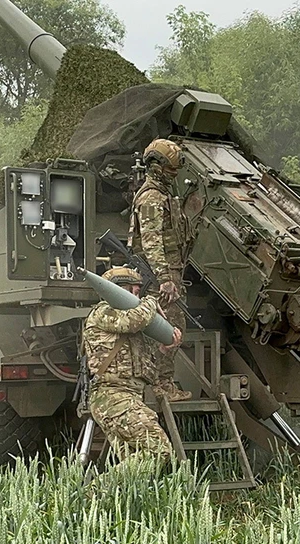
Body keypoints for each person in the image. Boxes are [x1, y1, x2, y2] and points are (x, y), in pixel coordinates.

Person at [83, 267, 183, 462]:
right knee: (159, 452)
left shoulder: (132, 330)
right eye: (134, 292)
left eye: (139, 293)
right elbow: (136, 319)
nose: (138, 298)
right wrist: (152, 301)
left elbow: (146, 371)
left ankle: (96, 493)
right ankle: (93, 492)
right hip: (112, 397)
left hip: (130, 397)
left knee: (136, 464)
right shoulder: (103, 313)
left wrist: (163, 350)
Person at [131, 138, 192, 402]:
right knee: (169, 330)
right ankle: (161, 384)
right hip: (160, 277)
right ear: (157, 167)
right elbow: (151, 241)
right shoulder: (152, 198)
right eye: (171, 170)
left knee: (171, 328)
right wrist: (166, 279)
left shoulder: (163, 195)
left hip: (168, 272)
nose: (174, 176)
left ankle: (161, 382)